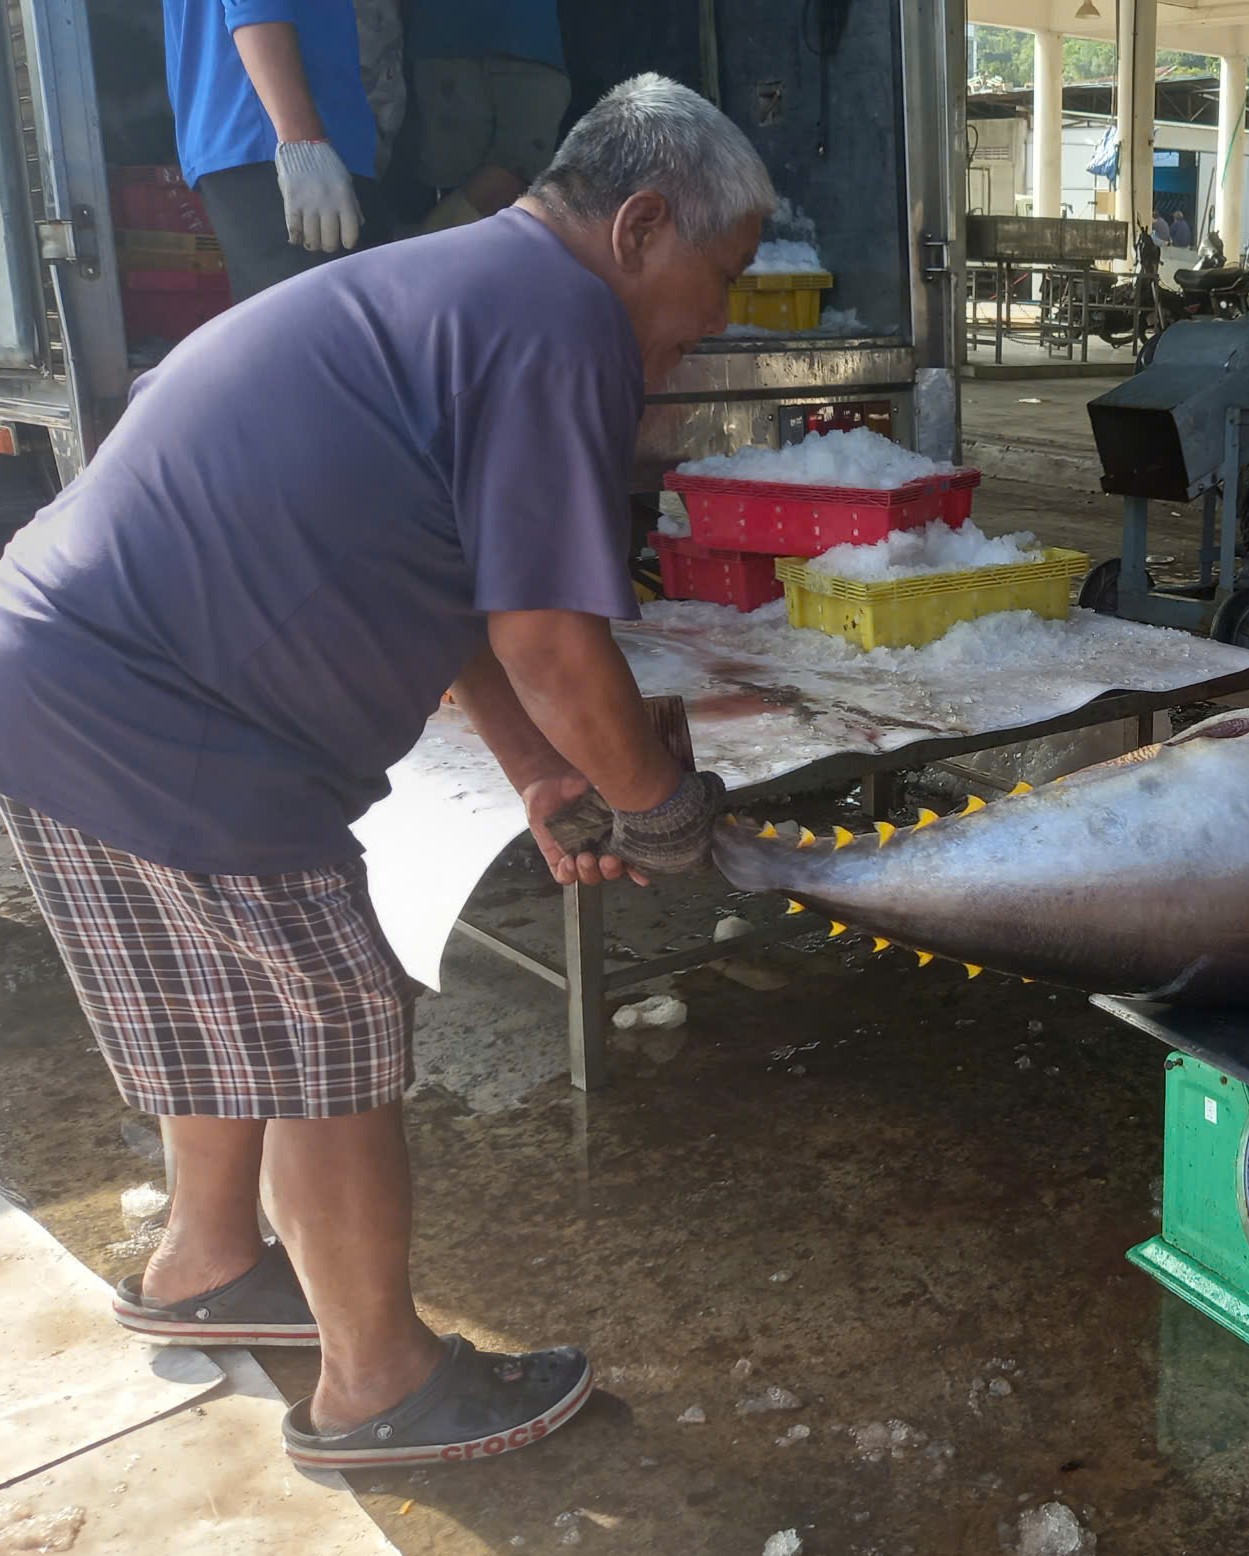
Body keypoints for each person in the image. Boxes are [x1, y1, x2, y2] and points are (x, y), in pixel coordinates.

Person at [0, 74, 773, 1467]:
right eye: (719, 277)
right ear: (641, 226)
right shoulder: (558, 321)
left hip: (48, 672)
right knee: (330, 1027)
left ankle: (207, 1263)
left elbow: (472, 590)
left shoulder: (455, 288)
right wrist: (664, 814)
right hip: (180, 717)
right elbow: (545, 629)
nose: (714, 318)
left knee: (229, 999)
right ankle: (378, 1384)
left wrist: (541, 775)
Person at [163, 0, 379, 299]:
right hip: (282, 141)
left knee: (289, 329)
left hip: (253, 135)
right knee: (321, 329)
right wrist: (303, 142)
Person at [409, 0, 572, 230]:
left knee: (509, 182)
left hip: (504, 41)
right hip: (478, 42)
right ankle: (407, 258)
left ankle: (406, 257)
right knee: (507, 178)